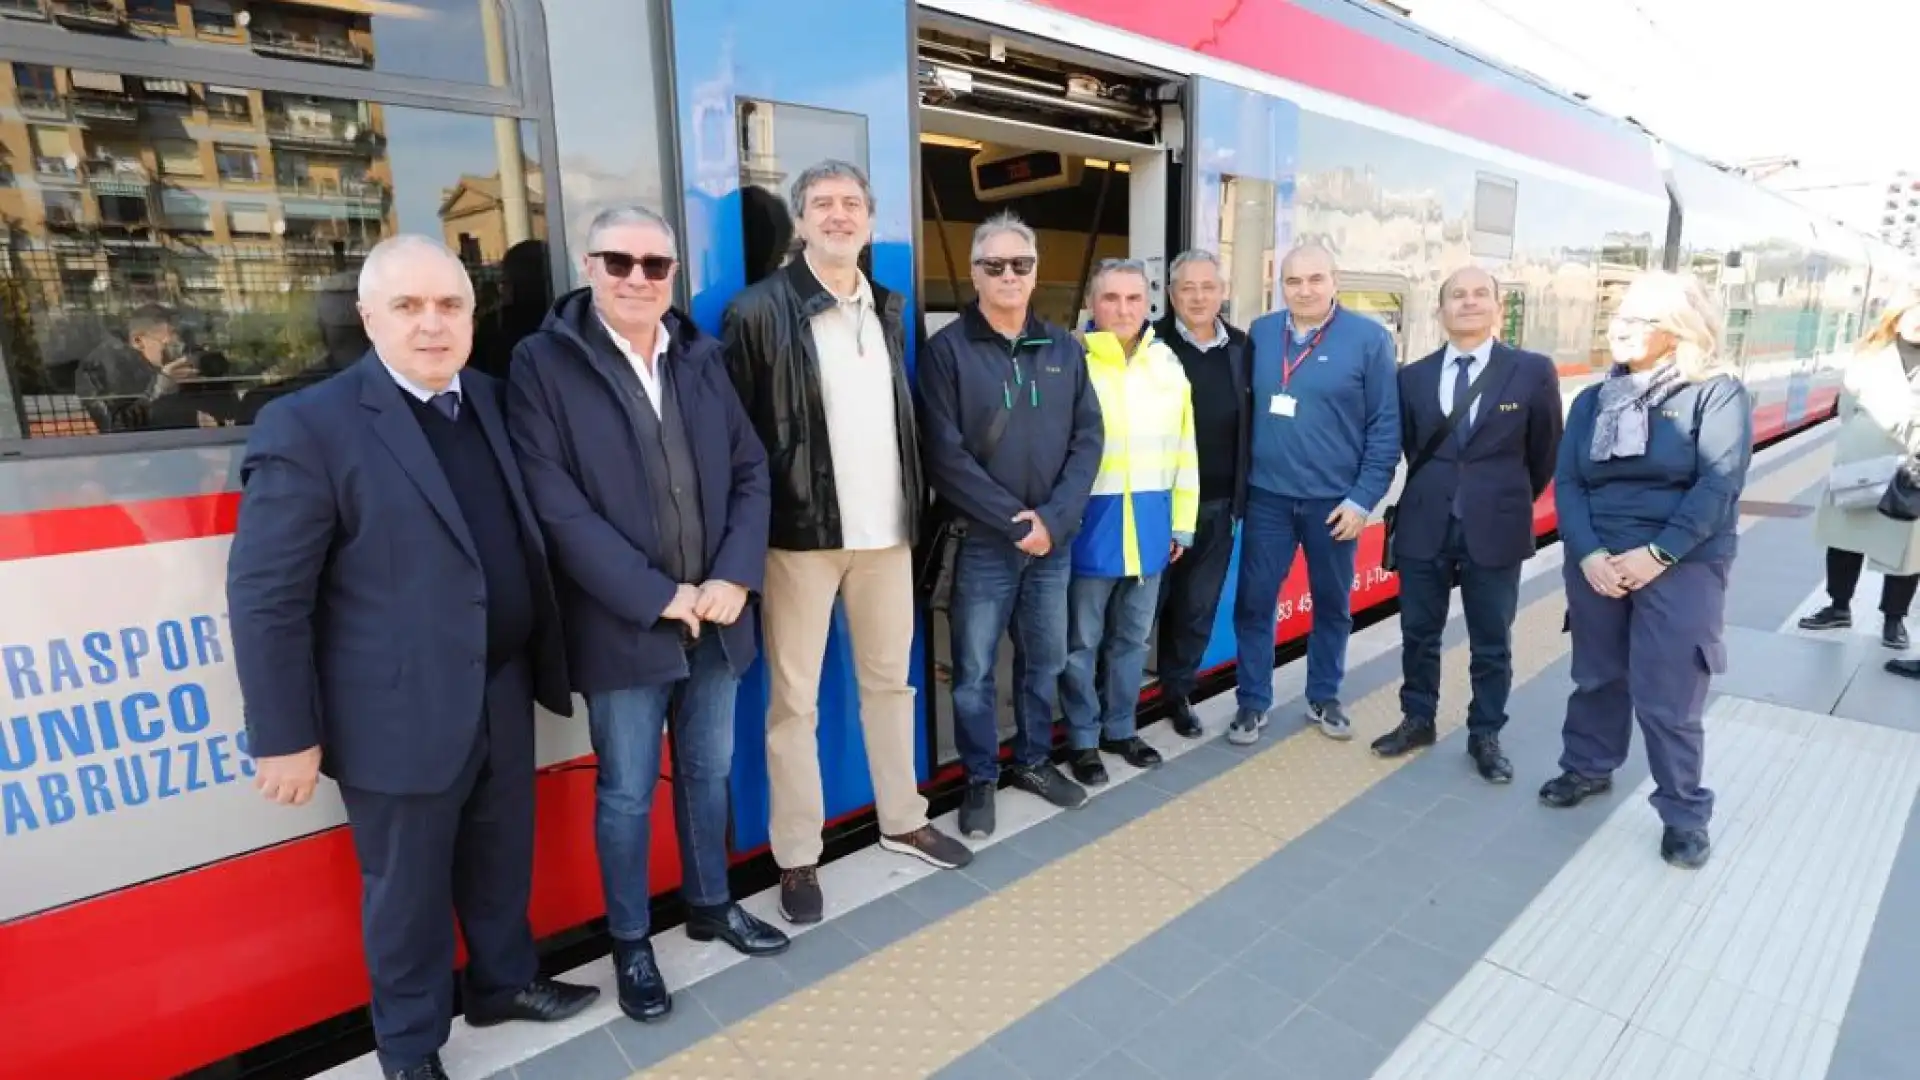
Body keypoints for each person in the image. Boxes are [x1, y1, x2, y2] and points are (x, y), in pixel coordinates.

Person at [225, 235, 597, 1080]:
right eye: (408, 306)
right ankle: (410, 1047)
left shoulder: (495, 403)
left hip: (499, 685)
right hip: (391, 708)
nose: (433, 325)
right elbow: (266, 596)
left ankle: (503, 985)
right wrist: (284, 734)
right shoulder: (309, 426)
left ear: (473, 315)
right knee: (408, 891)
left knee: (503, 856)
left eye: (450, 305)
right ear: (368, 318)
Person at [505, 205, 788, 1026]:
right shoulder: (542, 365)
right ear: (589, 265)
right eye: (619, 262)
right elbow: (553, 504)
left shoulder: (701, 356)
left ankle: (711, 903)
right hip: (623, 623)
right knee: (627, 792)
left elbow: (750, 472)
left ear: (673, 275)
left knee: (708, 770)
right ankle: (631, 943)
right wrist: (654, 593)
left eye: (654, 265)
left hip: (717, 615)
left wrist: (734, 576)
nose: (637, 278)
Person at [722, 160, 972, 926]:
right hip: (798, 538)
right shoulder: (757, 312)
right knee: (793, 704)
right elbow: (736, 442)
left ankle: (902, 817)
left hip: (887, 534)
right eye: (822, 204)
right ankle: (798, 857)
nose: (838, 215)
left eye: (852, 203)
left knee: (892, 686)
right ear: (799, 223)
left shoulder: (889, 308)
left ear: (870, 219)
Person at [1542, 270, 1752, 869]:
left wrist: (1658, 554)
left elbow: (1719, 485)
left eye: (1641, 320)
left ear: (1678, 329)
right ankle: (1587, 767)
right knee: (1597, 676)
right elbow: (1569, 483)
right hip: (1598, 563)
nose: (1623, 330)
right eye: (1619, 318)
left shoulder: (1716, 393)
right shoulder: (1591, 401)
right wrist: (1586, 553)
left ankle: (1684, 812)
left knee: (1669, 695)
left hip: (1682, 563)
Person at [918, 211, 1104, 838]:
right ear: (974, 274)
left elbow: (1089, 439)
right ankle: (979, 777)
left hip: (1051, 546)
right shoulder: (945, 352)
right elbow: (944, 455)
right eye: (993, 265)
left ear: (1034, 272)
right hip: (983, 546)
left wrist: (1052, 520)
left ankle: (1031, 762)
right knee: (971, 673)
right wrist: (1013, 521)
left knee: (1042, 662)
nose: (1008, 276)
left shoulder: (1062, 349)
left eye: (1019, 265)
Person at [1373, 268, 1563, 782]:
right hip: (1424, 520)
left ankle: (1485, 733)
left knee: (1492, 637)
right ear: (1440, 312)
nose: (1469, 302)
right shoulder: (1411, 377)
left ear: (1499, 309)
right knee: (1418, 631)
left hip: (1495, 524)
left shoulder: (1531, 371)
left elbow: (1544, 454)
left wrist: (1502, 496)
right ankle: (1418, 718)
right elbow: (1413, 449)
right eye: (1457, 295)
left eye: (1481, 294)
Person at [1230, 243, 1399, 745]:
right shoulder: (1261, 333)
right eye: (1292, 281)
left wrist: (1362, 500)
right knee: (1255, 602)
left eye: (1314, 279)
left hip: (1335, 505)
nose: (1304, 290)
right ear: (1280, 286)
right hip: (1268, 499)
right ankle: (1252, 702)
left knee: (1331, 604)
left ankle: (1324, 695)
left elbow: (1385, 427)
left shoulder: (1368, 339)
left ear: (1335, 281)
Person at [1060, 258, 1199, 787]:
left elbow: (1185, 450)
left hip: (1150, 524)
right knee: (1081, 642)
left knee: (1132, 640)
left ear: (1150, 304)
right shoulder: (1072, 361)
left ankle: (1121, 728)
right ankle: (1082, 738)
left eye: (1134, 299)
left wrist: (1181, 525)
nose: (1123, 309)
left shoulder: (1167, 365)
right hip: (1088, 524)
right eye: (1111, 298)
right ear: (1093, 304)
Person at [1152, 250, 1252, 739]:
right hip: (1156, 504)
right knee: (1143, 608)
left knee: (1196, 608)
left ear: (1222, 293)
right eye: (1186, 288)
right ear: (1171, 296)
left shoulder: (1242, 348)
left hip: (1216, 505)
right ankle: (1115, 707)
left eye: (1207, 287)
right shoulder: (1150, 344)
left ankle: (1176, 694)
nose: (1197, 297)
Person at [1799, 293, 1920, 661]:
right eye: (1914, 316)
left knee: (1906, 546)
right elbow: (1847, 408)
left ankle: (1893, 619)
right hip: (1862, 458)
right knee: (1845, 535)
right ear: (1896, 319)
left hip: (1912, 465)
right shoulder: (1868, 356)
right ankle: (1838, 606)